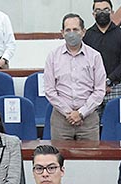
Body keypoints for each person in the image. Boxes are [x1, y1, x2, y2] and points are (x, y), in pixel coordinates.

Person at [44, 13, 106, 141]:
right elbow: (50, 90)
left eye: (75, 29)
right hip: (61, 120)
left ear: (83, 32)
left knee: (90, 158)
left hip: (88, 120)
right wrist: (69, 113)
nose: (71, 33)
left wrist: (81, 113)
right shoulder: (53, 57)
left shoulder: (95, 56)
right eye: (68, 30)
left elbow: (99, 90)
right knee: (59, 158)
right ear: (62, 32)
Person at [83, 0, 121, 113]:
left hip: (114, 87)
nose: (102, 13)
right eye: (98, 10)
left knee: (115, 123)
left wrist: (108, 82)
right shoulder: (87, 36)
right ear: (93, 14)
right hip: (91, 88)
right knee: (92, 126)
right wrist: (98, 85)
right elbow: (83, 62)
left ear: (112, 12)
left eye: (106, 10)